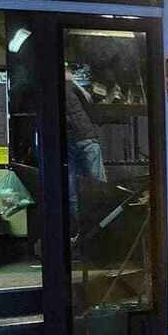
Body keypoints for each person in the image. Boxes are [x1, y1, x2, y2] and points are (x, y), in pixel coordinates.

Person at [65, 65, 106, 236]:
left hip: (69, 141)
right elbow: (89, 100)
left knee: (72, 190)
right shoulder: (71, 86)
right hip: (87, 137)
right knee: (98, 185)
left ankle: (80, 232)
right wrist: (75, 82)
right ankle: (102, 227)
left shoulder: (48, 87)